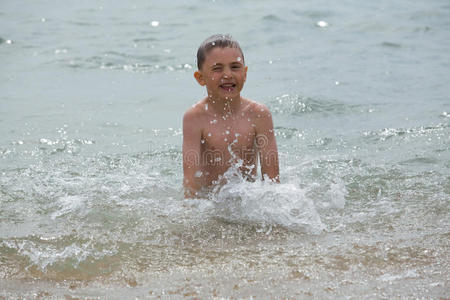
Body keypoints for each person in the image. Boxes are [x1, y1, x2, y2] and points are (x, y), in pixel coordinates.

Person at [183, 34, 279, 198]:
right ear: (201, 78)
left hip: (248, 200)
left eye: (235, 67)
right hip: (211, 201)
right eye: (217, 68)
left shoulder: (259, 114)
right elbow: (190, 183)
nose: (227, 75)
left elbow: (272, 181)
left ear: (245, 73)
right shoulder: (195, 118)